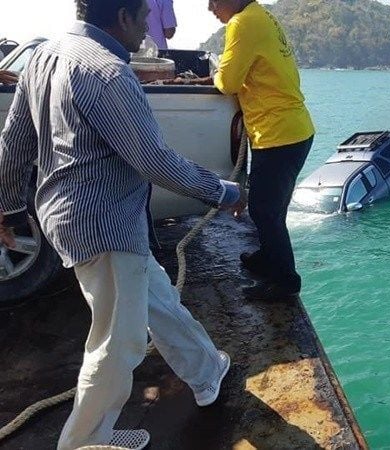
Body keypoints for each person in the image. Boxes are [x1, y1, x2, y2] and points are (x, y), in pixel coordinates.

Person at [0, 0, 246, 448]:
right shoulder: (109, 73)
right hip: (103, 225)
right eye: (143, 21)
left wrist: (8, 206)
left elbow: (15, 140)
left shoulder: (45, 54)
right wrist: (225, 192)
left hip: (75, 216)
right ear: (124, 17)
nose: (146, 34)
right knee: (119, 340)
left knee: (155, 298)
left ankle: (207, 372)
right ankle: (83, 441)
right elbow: (155, 161)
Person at [206, 0, 315, 301]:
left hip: (278, 134)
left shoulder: (242, 23)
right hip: (293, 129)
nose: (210, 8)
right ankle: (269, 258)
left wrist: (212, 77)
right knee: (269, 208)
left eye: (214, 1)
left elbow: (228, 82)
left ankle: (285, 281)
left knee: (266, 212)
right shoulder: (261, 16)